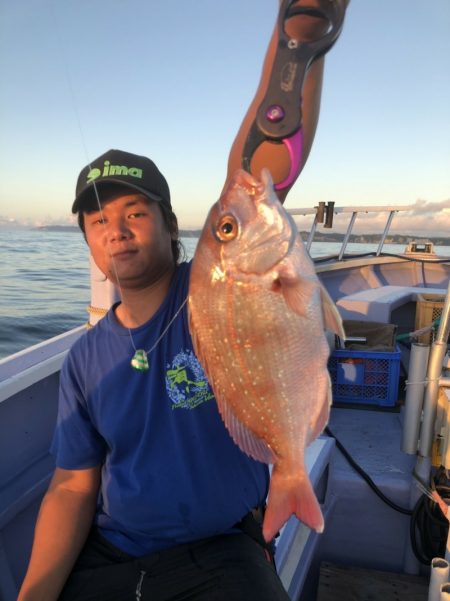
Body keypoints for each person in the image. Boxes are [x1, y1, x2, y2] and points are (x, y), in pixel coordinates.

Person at [18, 2, 348, 599]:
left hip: (221, 548)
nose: (115, 229)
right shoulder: (85, 361)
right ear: (89, 240)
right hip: (112, 550)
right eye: (97, 220)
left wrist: (299, 45)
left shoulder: (214, 285)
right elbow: (72, 486)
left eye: (134, 213)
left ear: (172, 227)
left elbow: (255, 169)